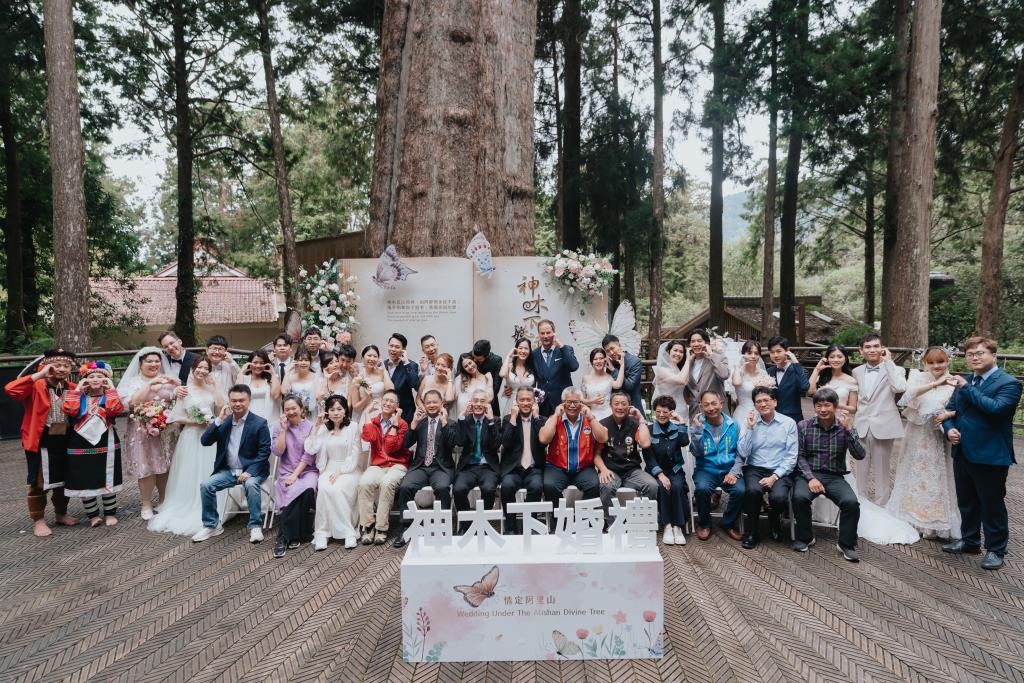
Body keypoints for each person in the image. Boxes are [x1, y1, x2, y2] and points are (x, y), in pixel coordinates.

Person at [941, 336, 1023, 570]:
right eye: (970, 354)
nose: (974, 357)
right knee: (966, 501)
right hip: (962, 451)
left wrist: (966, 388)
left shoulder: (1009, 383)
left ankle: (996, 549)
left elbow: (996, 409)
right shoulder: (967, 380)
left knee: (992, 504)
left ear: (993, 355)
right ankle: (970, 541)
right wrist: (949, 429)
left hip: (990, 454)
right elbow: (950, 410)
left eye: (980, 353)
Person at [887, 346, 960, 539]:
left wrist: (948, 414)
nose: (936, 366)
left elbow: (962, 408)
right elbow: (905, 398)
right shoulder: (917, 377)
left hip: (938, 435)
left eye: (940, 361)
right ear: (925, 363)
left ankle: (934, 523)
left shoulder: (955, 382)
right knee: (912, 471)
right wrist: (935, 384)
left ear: (948, 361)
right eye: (931, 362)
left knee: (938, 475)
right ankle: (911, 518)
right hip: (916, 433)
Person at [5, 348, 79, 537]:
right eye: (57, 365)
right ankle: (38, 520)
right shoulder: (36, 384)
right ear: (46, 366)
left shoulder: (72, 387)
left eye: (66, 365)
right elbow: (11, 389)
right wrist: (40, 374)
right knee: (38, 481)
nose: (61, 369)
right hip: (40, 440)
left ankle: (61, 514)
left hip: (65, 439)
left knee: (64, 479)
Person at [149, 356, 222, 537]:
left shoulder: (211, 389)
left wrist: (216, 385)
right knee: (191, 470)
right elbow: (174, 417)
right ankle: (190, 503)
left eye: (206, 368)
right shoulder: (184, 390)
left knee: (208, 469)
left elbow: (220, 406)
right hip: (191, 435)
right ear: (192, 369)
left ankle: (213, 504)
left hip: (210, 436)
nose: (202, 371)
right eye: (199, 367)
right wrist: (196, 421)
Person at [792, 388, 865, 561]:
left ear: (836, 406)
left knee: (851, 503)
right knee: (800, 497)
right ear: (814, 407)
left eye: (827, 405)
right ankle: (806, 537)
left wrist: (849, 430)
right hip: (809, 474)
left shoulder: (844, 427)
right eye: (819, 405)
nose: (823, 409)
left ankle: (846, 544)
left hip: (834, 476)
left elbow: (860, 455)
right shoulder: (804, 426)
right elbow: (799, 456)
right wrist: (811, 478)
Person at [193, 384, 272, 543]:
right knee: (206, 485)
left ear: (249, 400)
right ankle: (212, 525)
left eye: (241, 400)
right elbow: (205, 441)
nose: (237, 404)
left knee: (251, 484)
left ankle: (255, 526)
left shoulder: (259, 423)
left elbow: (264, 452)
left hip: (252, 471)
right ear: (229, 401)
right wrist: (218, 420)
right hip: (229, 471)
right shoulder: (224, 421)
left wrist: (249, 472)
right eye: (234, 400)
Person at [117, 347, 180, 519]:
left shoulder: (169, 379)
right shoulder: (132, 382)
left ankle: (163, 501)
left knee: (165, 466)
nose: (154, 364)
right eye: (149, 361)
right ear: (140, 364)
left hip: (166, 430)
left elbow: (178, 399)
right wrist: (150, 385)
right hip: (141, 431)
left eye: (157, 361)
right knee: (146, 467)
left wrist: (176, 386)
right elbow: (132, 402)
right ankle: (146, 504)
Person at [61, 361, 124, 527]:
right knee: (84, 477)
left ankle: (110, 513)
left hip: (106, 440)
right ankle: (93, 515)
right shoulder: (78, 396)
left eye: (99, 376)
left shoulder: (109, 396)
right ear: (85, 380)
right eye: (91, 376)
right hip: (79, 442)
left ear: (105, 380)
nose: (95, 379)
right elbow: (69, 410)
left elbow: (115, 409)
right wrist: (77, 389)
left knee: (107, 475)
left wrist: (111, 388)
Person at [736, 386, 798, 550]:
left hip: (780, 469)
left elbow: (791, 457)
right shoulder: (750, 422)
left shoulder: (788, 423)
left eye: (766, 400)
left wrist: (774, 477)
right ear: (755, 405)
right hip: (755, 468)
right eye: (758, 402)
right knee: (753, 492)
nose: (763, 404)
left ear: (775, 402)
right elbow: (743, 453)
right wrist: (750, 429)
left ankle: (774, 518)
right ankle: (752, 530)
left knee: (779, 498)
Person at [395, 390, 456, 548]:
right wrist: (413, 424)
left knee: (442, 487)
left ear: (441, 403)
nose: (432, 405)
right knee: (405, 487)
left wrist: (444, 422)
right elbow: (406, 444)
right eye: (428, 402)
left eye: (435, 402)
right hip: (420, 466)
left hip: (441, 468)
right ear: (424, 404)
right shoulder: (420, 422)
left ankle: (442, 526)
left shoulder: (449, 422)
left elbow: (452, 444)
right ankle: (407, 527)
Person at [851, 332, 906, 505]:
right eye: (868, 347)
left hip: (884, 425)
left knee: (882, 470)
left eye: (876, 346)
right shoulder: (856, 371)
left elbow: (899, 388)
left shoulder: (896, 369)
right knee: (860, 470)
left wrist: (889, 362)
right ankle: (861, 506)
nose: (872, 350)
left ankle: (882, 508)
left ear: (882, 348)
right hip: (861, 424)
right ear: (861, 350)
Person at [307, 394, 365, 550]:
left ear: (345, 410)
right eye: (332, 409)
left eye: (339, 409)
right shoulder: (324, 429)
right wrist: (316, 427)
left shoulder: (353, 427)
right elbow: (311, 448)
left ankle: (348, 531)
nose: (336, 413)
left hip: (349, 469)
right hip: (329, 468)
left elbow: (355, 454)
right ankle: (322, 532)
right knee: (325, 489)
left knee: (338, 488)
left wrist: (341, 471)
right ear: (327, 412)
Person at [690, 391, 745, 541]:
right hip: (706, 469)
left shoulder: (733, 425)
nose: (710, 408)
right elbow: (696, 452)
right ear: (701, 406)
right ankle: (705, 524)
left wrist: (734, 472)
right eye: (706, 404)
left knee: (740, 491)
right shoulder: (697, 424)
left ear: (721, 404)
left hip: (729, 469)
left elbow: (741, 454)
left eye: (714, 403)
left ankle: (728, 523)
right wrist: (698, 431)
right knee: (702, 489)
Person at [357, 389, 410, 545]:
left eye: (391, 401)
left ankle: (381, 528)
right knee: (364, 482)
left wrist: (395, 423)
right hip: (378, 465)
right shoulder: (374, 421)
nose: (387, 403)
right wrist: (367, 414)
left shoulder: (402, 424)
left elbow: (391, 447)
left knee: (387, 483)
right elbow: (369, 437)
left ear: (397, 406)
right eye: (385, 400)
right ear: (381, 402)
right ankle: (368, 526)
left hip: (397, 465)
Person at [539, 387, 609, 502]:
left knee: (593, 485)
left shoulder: (589, 419)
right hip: (557, 468)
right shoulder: (554, 419)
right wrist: (556, 416)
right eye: (568, 402)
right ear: (562, 403)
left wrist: (591, 418)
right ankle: (559, 514)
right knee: (550, 486)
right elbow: (543, 439)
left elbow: (603, 438)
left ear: (581, 403)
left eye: (576, 402)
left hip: (583, 468)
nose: (572, 406)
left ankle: (584, 513)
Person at [595, 392, 654, 523]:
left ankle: (641, 522)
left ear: (629, 406)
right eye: (616, 404)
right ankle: (612, 524)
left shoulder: (635, 424)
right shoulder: (602, 424)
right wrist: (603, 470)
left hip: (632, 470)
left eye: (623, 404)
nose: (620, 407)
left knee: (652, 485)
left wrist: (641, 419)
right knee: (607, 487)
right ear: (610, 405)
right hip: (610, 470)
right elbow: (596, 454)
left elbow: (645, 443)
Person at [270, 395, 318, 558]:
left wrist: (295, 475)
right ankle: (291, 535)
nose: (291, 412)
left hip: (308, 470)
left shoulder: (310, 427)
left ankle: (284, 536)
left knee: (307, 489)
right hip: (286, 471)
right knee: (290, 489)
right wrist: (283, 430)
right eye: (287, 409)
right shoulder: (279, 427)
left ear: (301, 409)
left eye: (294, 408)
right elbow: (278, 452)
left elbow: (309, 455)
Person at [499, 387, 546, 534]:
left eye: (528, 400)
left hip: (533, 469)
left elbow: (543, 443)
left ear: (534, 401)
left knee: (537, 486)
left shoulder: (541, 420)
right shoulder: (508, 419)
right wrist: (513, 418)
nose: (525, 403)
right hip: (513, 469)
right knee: (506, 486)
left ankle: (529, 526)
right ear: (516, 402)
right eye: (522, 400)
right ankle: (511, 528)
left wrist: (536, 418)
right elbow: (506, 443)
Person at [452, 389, 502, 529]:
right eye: (475, 401)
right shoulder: (465, 420)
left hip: (488, 467)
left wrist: (491, 421)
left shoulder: (495, 420)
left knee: (489, 489)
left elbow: (496, 444)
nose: (478, 404)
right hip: (468, 467)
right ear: (470, 403)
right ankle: (467, 525)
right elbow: (459, 442)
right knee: (458, 489)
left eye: (482, 401)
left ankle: (482, 524)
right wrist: (461, 418)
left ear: (487, 404)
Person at [645, 396, 690, 545]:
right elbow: (648, 456)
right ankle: (668, 526)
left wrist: (681, 421)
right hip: (655, 471)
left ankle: (678, 527)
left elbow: (684, 442)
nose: (661, 415)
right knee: (662, 487)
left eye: (665, 412)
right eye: (658, 411)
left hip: (675, 470)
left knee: (677, 486)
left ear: (671, 412)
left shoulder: (676, 428)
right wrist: (660, 474)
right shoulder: (649, 430)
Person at [532, 320, 580, 417]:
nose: (545, 336)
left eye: (548, 332)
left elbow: (574, 366)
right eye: (542, 333)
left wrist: (560, 345)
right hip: (543, 405)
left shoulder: (565, 349)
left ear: (554, 333)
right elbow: (531, 378)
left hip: (563, 403)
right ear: (539, 335)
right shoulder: (534, 354)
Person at [681, 329, 730, 421]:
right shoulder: (688, 363)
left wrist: (711, 355)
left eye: (699, 341)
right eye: (693, 341)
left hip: (716, 412)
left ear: (706, 343)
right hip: (695, 414)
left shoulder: (718, 358)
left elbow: (724, 375)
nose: (696, 344)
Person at [765, 335, 809, 424]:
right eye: (772, 352)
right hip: (773, 417)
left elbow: (804, 387)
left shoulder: (799, 370)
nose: (775, 355)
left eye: (779, 351)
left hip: (793, 418)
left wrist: (795, 362)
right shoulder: (769, 371)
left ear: (787, 351)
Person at [807, 344, 859, 416]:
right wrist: (817, 369)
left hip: (840, 420)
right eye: (832, 357)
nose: (836, 360)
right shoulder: (821, 377)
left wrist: (836, 405)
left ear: (845, 359)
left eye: (839, 357)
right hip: (820, 419)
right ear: (827, 359)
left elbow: (853, 409)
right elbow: (810, 392)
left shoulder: (851, 381)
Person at [351, 345, 394, 428]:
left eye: (375, 356)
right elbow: (356, 407)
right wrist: (367, 398)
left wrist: (384, 371)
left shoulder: (382, 373)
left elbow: (391, 391)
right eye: (369, 355)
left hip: (382, 412)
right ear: (363, 357)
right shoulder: (358, 378)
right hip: (366, 414)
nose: (372, 359)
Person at [602, 335, 645, 416]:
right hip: (615, 410)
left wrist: (613, 370)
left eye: (612, 348)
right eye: (607, 351)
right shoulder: (610, 364)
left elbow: (629, 386)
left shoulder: (635, 361)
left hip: (632, 407)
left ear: (619, 345)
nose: (611, 353)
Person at [383, 332, 421, 423]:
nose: (393, 349)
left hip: (405, 414)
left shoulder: (411, 365)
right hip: (385, 413)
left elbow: (415, 385)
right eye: (391, 346)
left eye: (397, 347)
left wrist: (406, 363)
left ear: (403, 349)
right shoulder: (383, 364)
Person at [239, 349, 282, 425]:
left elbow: (276, 395)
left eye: (261, 363)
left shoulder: (272, 378)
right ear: (249, 363)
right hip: (249, 419)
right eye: (255, 362)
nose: (258, 365)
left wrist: (273, 373)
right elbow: (238, 395)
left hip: (270, 419)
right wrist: (242, 371)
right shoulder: (244, 378)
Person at [580, 348, 624, 422]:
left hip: (607, 415)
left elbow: (618, 384)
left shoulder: (609, 377)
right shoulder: (585, 379)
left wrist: (622, 365)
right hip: (591, 416)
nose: (598, 361)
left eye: (601, 358)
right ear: (592, 362)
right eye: (595, 359)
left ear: (605, 360)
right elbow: (581, 400)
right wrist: (591, 401)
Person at [731, 340, 769, 425]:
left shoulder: (763, 373)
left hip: (761, 412)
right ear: (743, 354)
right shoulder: (738, 372)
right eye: (749, 353)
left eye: (756, 353)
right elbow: (736, 383)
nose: (753, 356)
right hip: (743, 413)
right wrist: (737, 366)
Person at [498, 338, 538, 417]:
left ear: (529, 351)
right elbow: (502, 374)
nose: (523, 351)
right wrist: (508, 356)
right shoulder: (510, 366)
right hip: (511, 403)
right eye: (520, 348)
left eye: (526, 348)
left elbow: (534, 387)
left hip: (527, 404)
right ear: (516, 349)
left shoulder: (532, 367)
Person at [652, 340, 689, 423]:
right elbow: (681, 380)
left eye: (681, 352)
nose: (678, 354)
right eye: (675, 350)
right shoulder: (661, 370)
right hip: (667, 411)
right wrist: (688, 360)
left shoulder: (680, 370)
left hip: (683, 409)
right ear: (668, 351)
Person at [281, 347, 320, 420]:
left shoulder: (316, 377)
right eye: (300, 360)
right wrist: (288, 371)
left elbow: (319, 397)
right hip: (295, 414)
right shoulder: (291, 376)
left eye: (306, 360)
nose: (303, 363)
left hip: (312, 413)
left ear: (310, 362)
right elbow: (284, 391)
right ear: (295, 362)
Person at [471, 339, 504, 417]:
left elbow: (496, 385)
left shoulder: (496, 360)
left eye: (478, 359)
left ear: (486, 355)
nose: (474, 360)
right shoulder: (468, 356)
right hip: (472, 399)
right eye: (474, 357)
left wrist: (485, 401)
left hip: (489, 400)